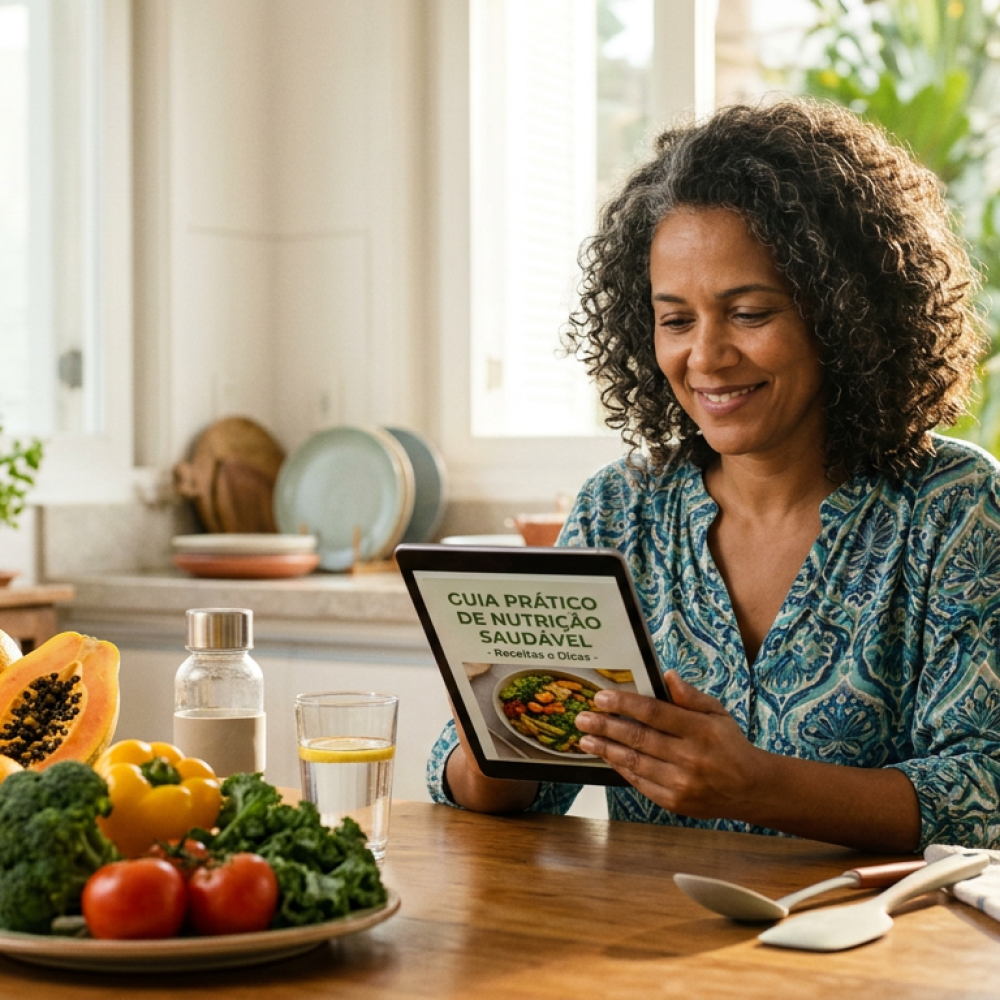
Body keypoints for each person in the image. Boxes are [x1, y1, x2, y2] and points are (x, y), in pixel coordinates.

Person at [427, 97, 1000, 853]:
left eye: (749, 313)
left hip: (871, 926)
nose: (706, 357)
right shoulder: (620, 510)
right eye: (676, 320)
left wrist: (755, 784)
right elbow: (501, 782)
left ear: (842, 314)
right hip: (656, 927)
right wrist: (495, 739)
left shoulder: (953, 508)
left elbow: (983, 791)